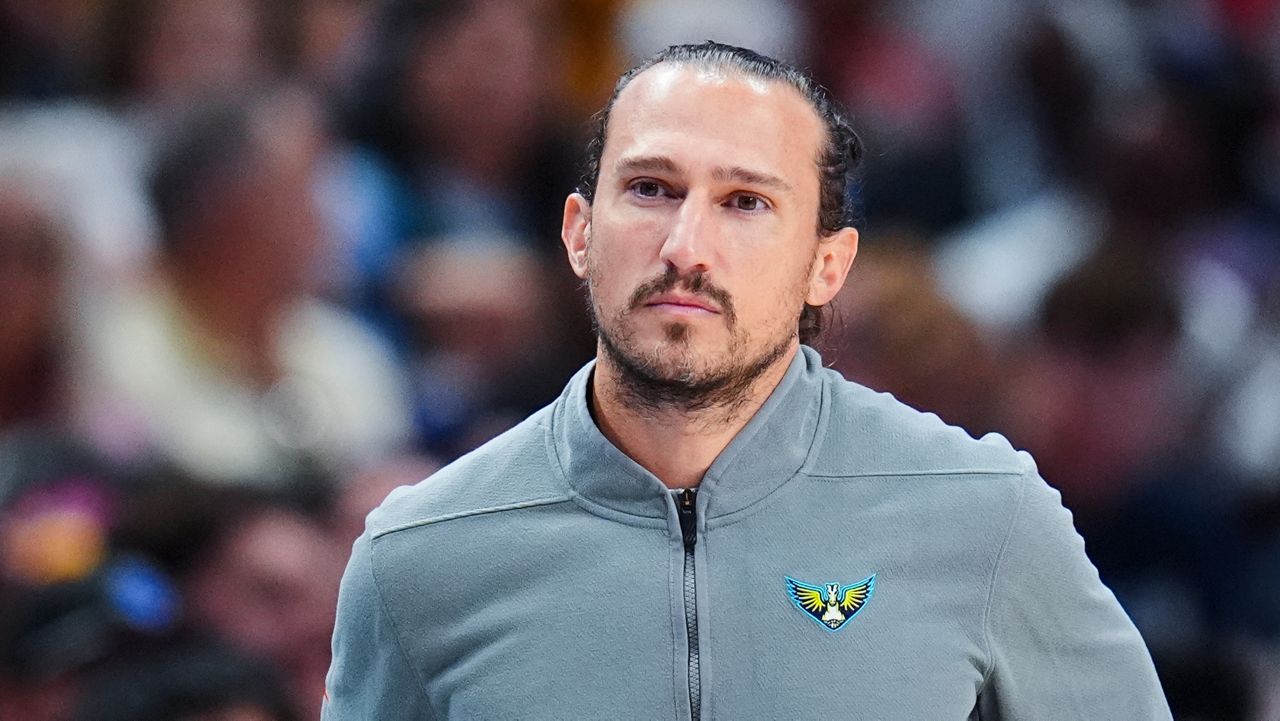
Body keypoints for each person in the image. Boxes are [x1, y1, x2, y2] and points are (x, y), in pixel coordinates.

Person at [323, 42, 1172, 720]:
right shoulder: (420, 557)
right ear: (580, 233)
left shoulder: (986, 514)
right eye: (651, 189)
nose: (687, 244)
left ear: (826, 265)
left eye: (745, 202)